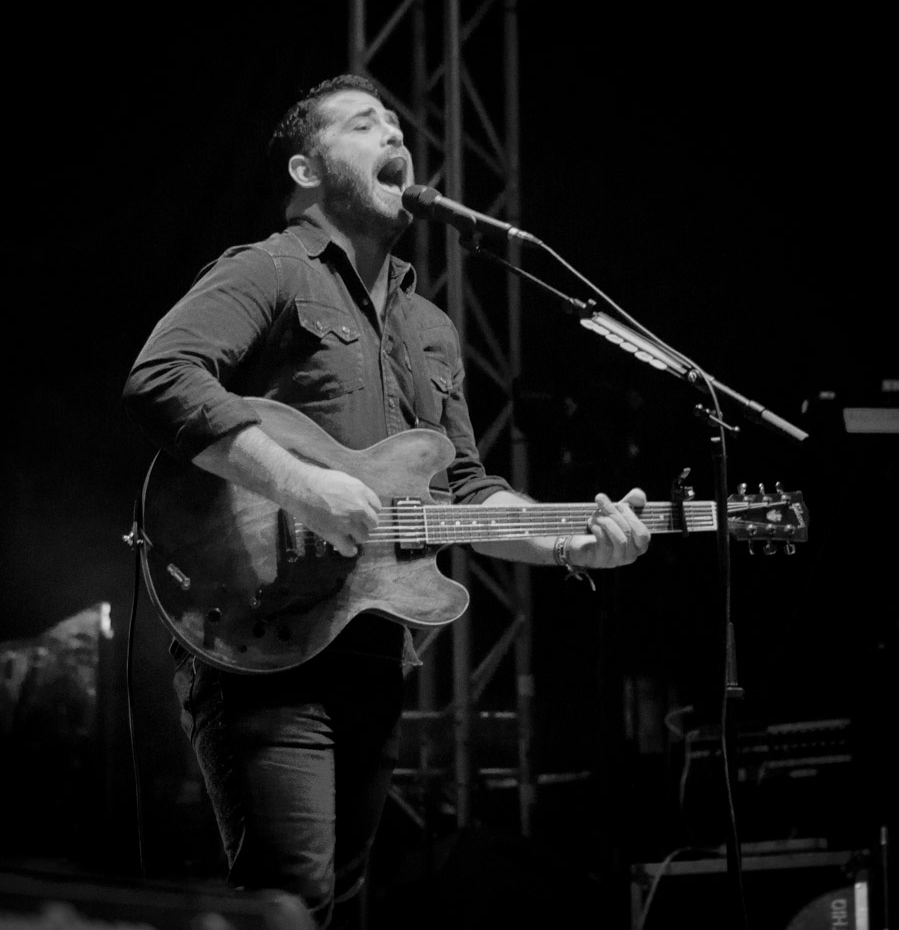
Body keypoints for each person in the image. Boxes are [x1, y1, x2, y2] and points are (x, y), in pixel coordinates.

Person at [122, 73, 651, 928]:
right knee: (291, 900)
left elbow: (466, 492)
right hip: (259, 633)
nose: (394, 135)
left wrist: (568, 542)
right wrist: (306, 486)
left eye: (398, 125)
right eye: (365, 125)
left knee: (338, 899)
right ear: (306, 171)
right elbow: (160, 377)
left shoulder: (429, 328)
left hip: (370, 648)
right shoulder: (270, 268)